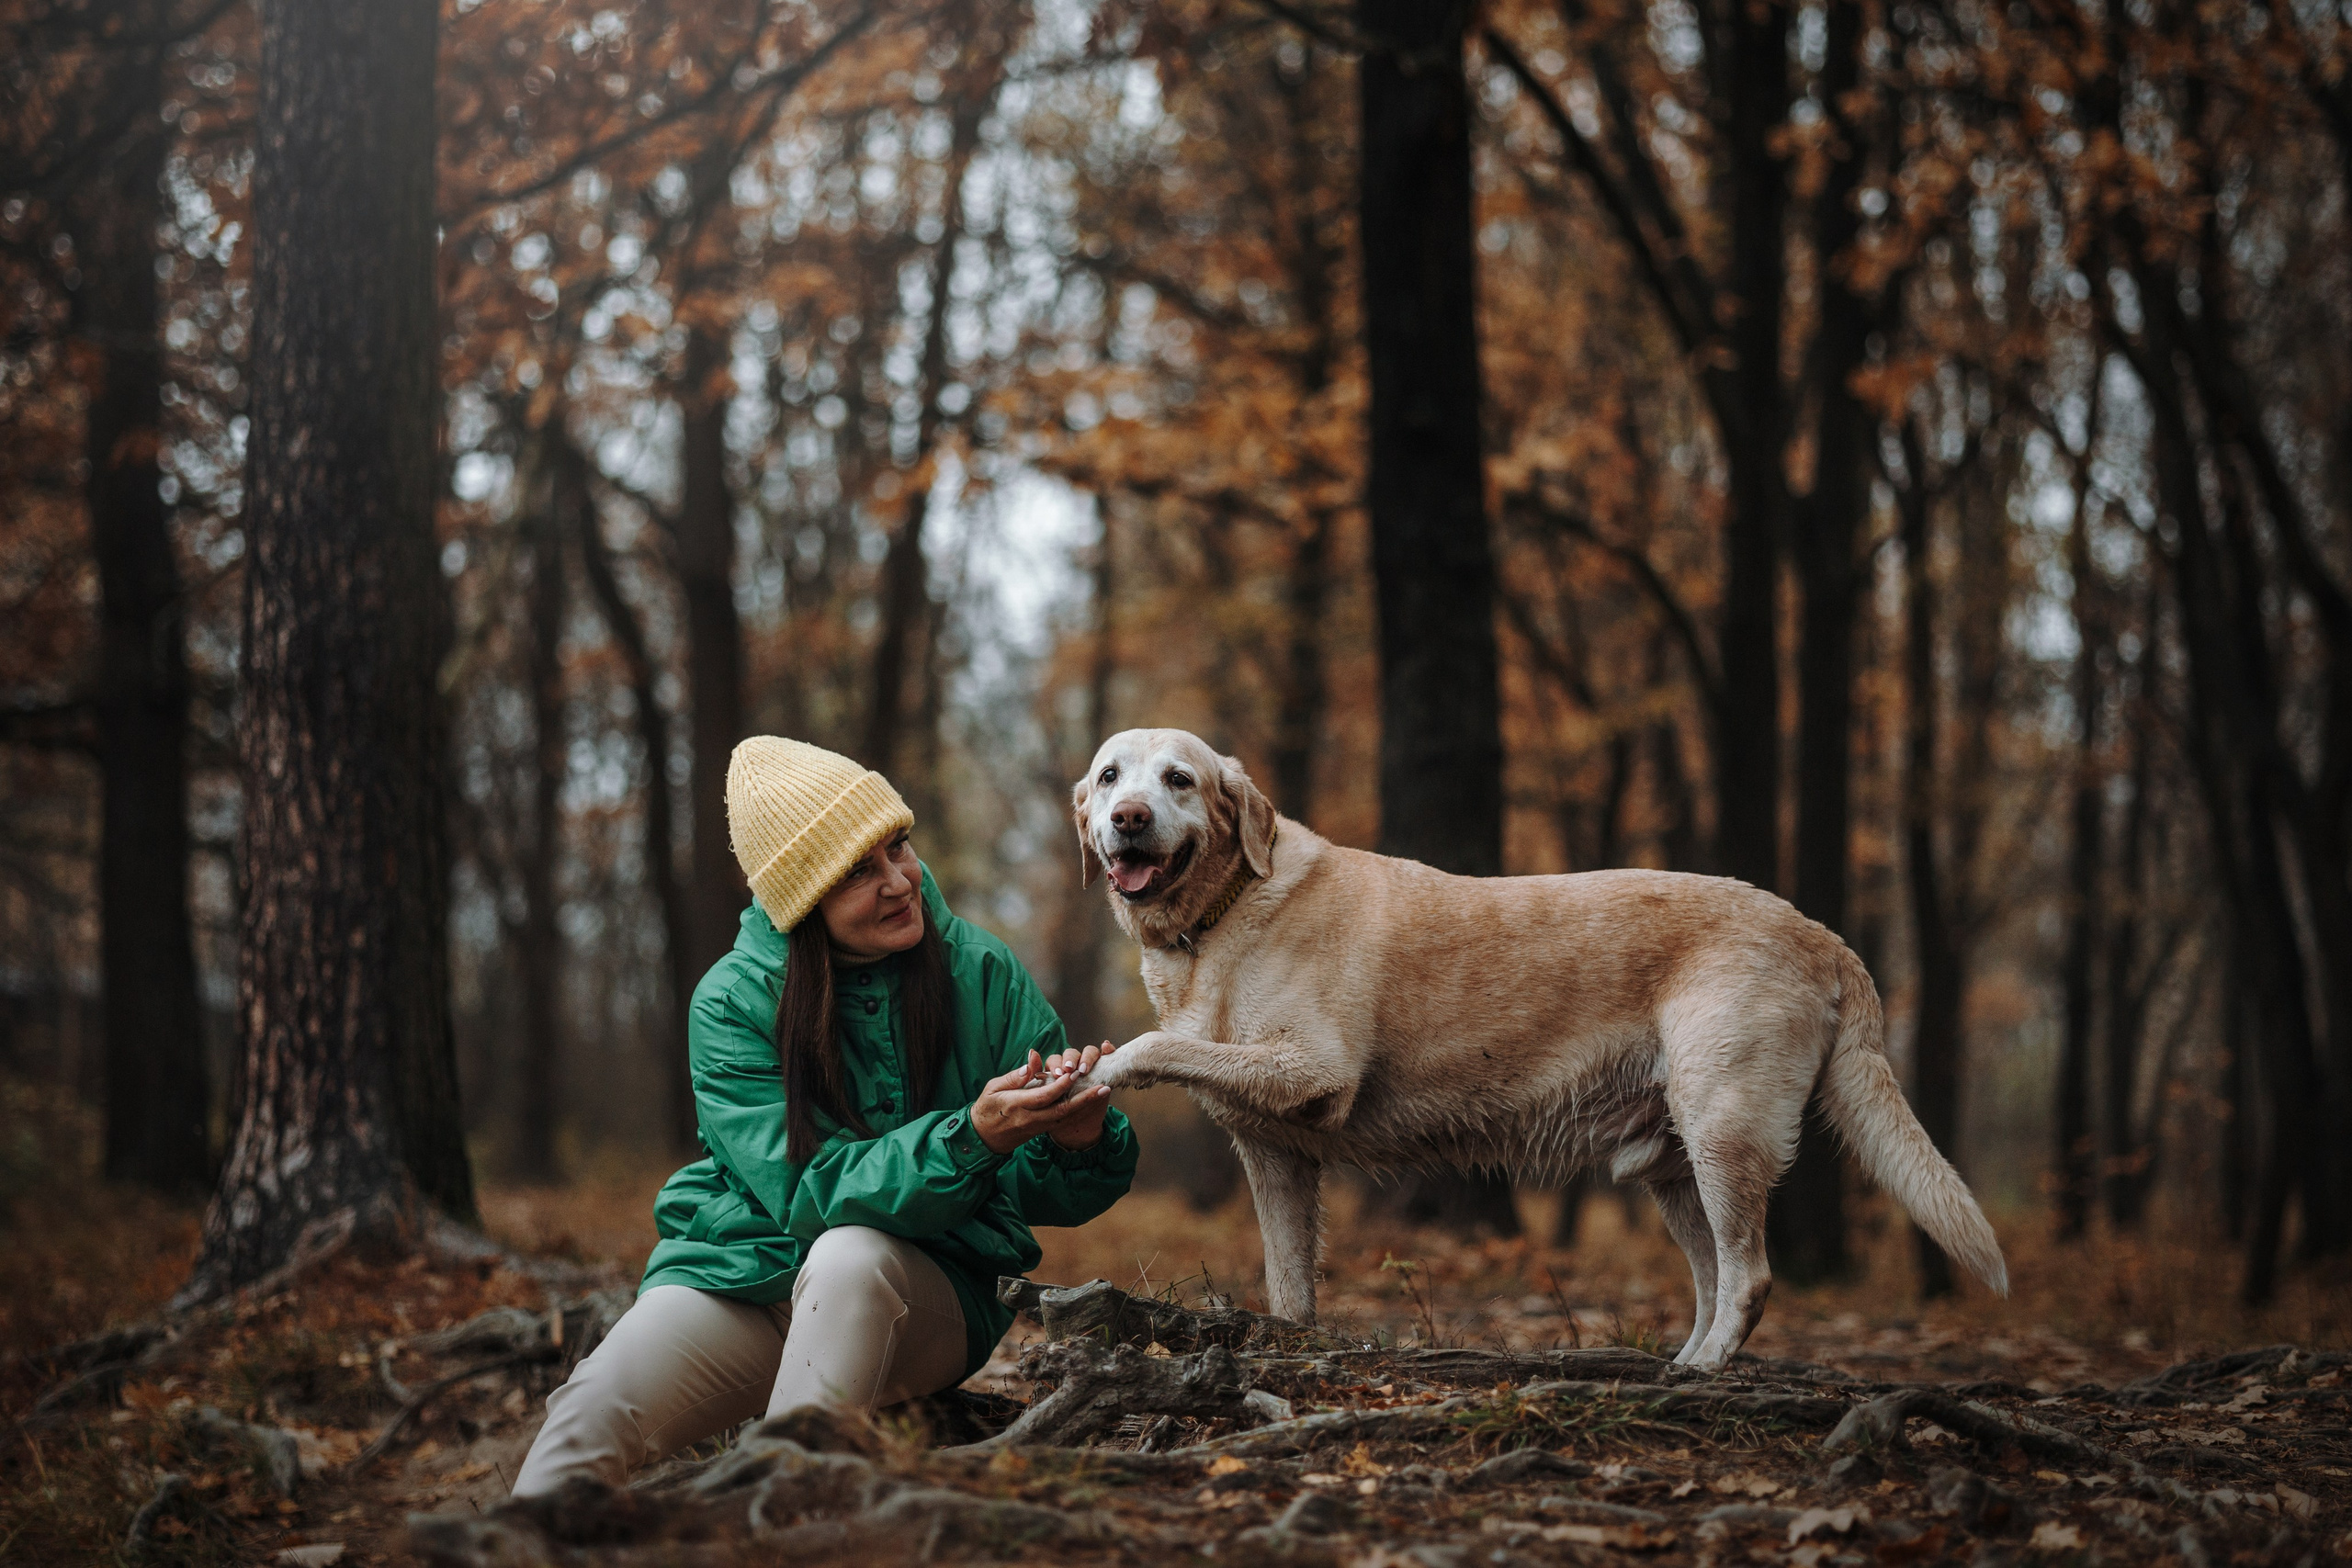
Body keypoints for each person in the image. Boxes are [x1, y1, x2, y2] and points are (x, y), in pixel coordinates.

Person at [513, 736, 1136, 1493]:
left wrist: (1075, 1136)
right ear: (801, 900)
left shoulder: (981, 970)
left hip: (922, 1290)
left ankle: (772, 1522)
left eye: (898, 847)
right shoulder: (732, 1002)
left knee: (849, 1256)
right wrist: (971, 1135)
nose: (900, 881)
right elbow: (808, 1187)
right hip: (744, 1278)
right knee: (587, 1412)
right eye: (858, 871)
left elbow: (1043, 1195)